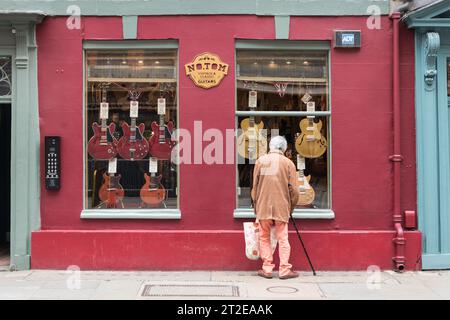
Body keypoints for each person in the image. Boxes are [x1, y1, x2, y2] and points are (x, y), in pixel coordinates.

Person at [251, 135, 300, 279]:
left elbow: (255, 186)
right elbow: (295, 191)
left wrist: (256, 206)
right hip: (281, 206)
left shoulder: (261, 161)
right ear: (284, 149)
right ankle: (284, 269)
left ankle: (267, 268)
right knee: (283, 239)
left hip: (263, 206)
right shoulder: (288, 163)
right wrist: (291, 207)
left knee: (264, 237)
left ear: (270, 147)